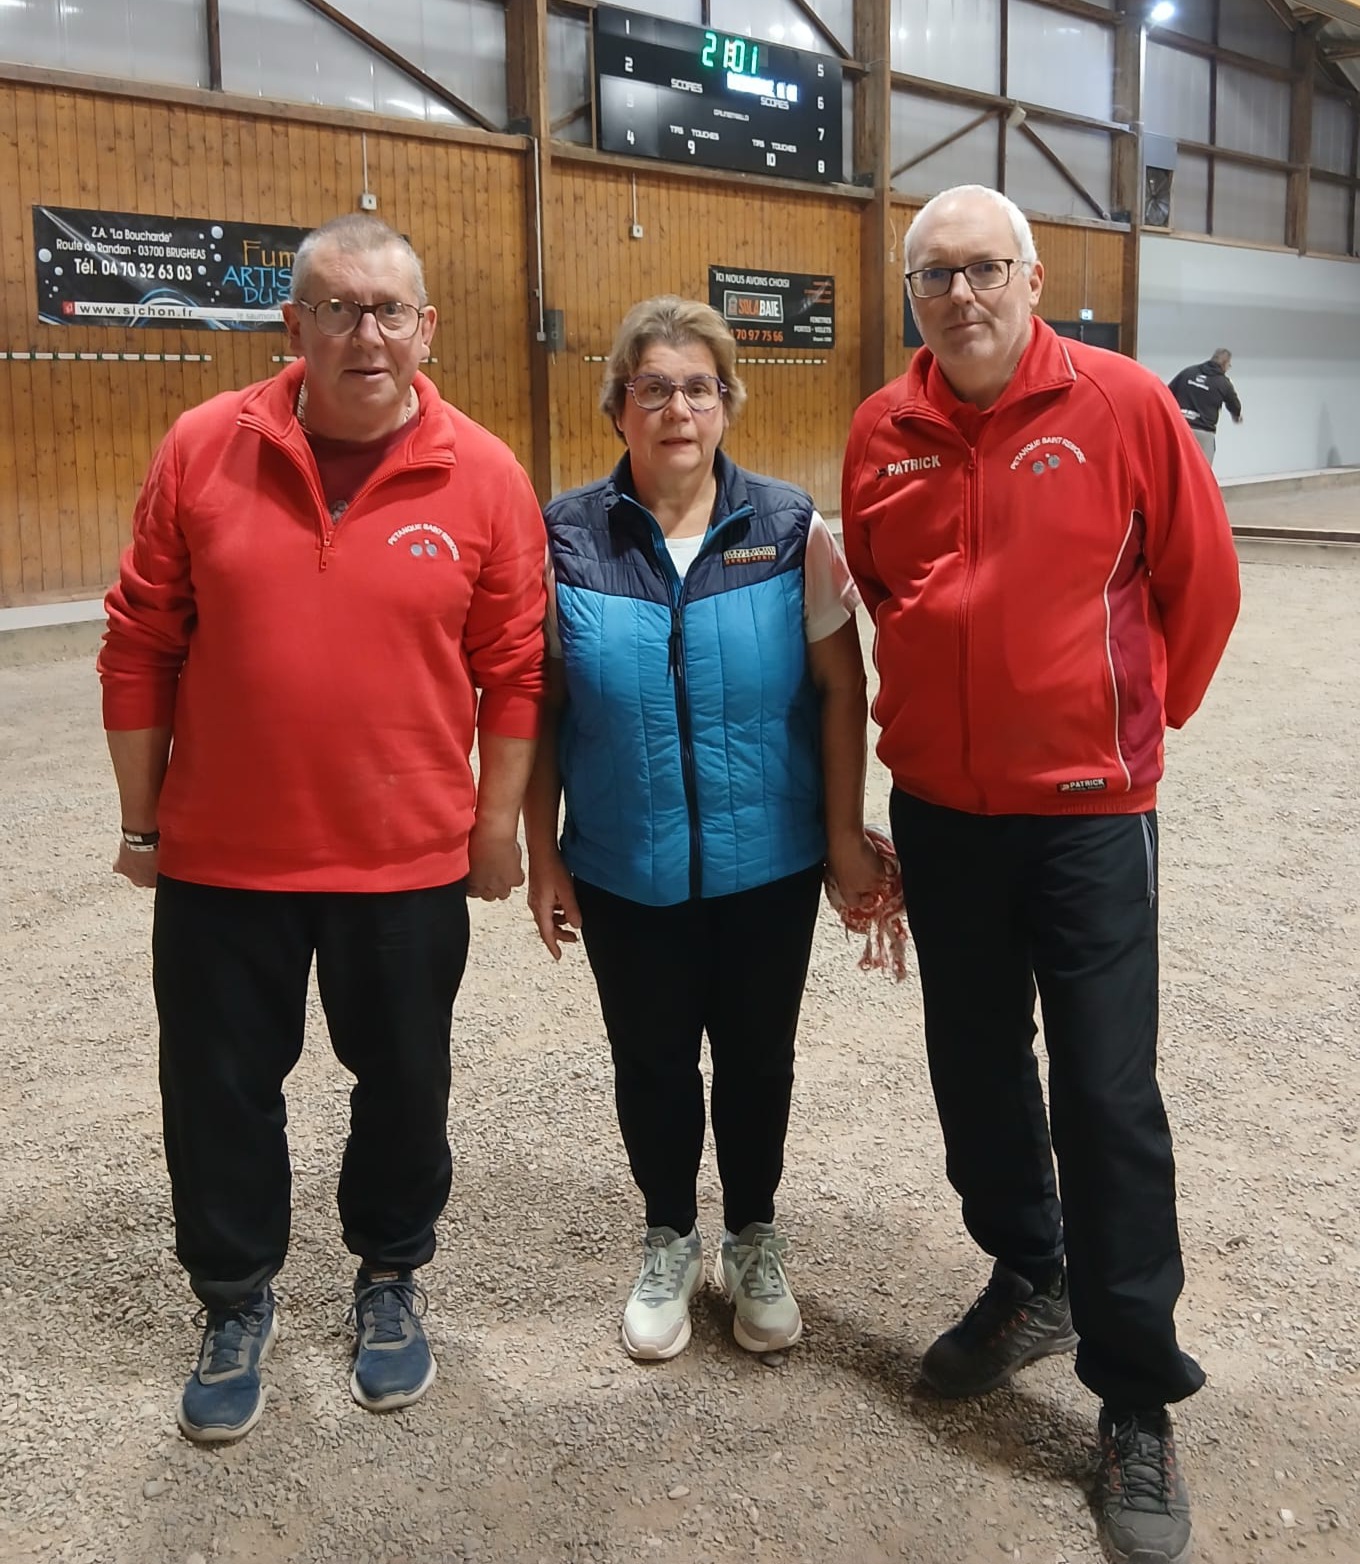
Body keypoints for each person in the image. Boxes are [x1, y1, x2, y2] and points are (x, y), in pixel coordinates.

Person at [98, 214, 546, 1444]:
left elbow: (515, 669)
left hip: (403, 860)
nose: (365, 333)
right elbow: (139, 641)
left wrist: (495, 827)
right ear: (292, 323)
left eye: (388, 309)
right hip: (224, 856)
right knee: (218, 1091)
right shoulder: (204, 447)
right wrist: (142, 823)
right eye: (337, 309)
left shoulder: (483, 474)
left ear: (425, 328)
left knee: (403, 1082)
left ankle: (390, 1276)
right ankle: (234, 1296)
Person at [841, 185, 1240, 1564]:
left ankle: (1134, 1395)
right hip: (944, 815)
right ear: (911, 294)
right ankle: (1032, 1269)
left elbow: (1202, 581)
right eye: (934, 275)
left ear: (1031, 274)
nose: (959, 295)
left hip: (1088, 817)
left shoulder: (1122, 404)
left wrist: (1126, 734)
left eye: (983, 269)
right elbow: (887, 596)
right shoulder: (881, 431)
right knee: (971, 1063)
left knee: (1106, 1093)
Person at [523, 296, 883, 1363]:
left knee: (758, 1061)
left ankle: (753, 1235)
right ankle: (669, 1238)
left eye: (698, 387)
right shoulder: (564, 539)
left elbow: (841, 687)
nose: (676, 408)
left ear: (726, 404)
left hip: (766, 864)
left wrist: (844, 835)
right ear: (618, 407)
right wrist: (542, 854)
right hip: (623, 866)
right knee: (651, 1062)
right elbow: (539, 707)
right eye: (653, 388)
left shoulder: (790, 528)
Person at [1168, 349, 1242, 465]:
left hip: (1179, 427)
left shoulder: (1188, 372)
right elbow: (1234, 405)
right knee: (1202, 470)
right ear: (1225, 364)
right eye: (1229, 365)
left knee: (1173, 465)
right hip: (1203, 432)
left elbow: (1167, 392)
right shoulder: (1224, 383)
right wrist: (1236, 416)